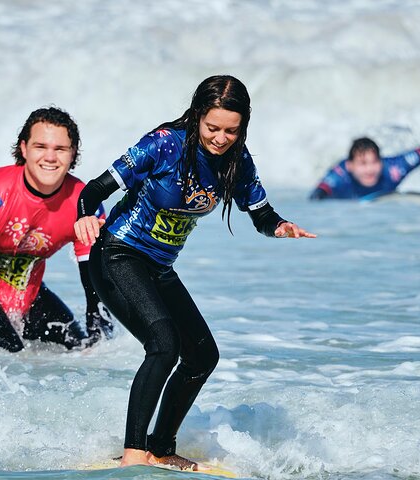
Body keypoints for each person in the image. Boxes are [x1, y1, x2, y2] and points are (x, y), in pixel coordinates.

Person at [74, 75, 316, 470]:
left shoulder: (237, 161)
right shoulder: (163, 144)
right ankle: (134, 455)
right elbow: (93, 190)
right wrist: (85, 216)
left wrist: (280, 226)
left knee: (202, 356)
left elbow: (260, 214)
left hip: (159, 267)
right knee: (164, 343)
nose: (221, 138)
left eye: (231, 131)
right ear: (198, 116)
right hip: (117, 256)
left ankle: (160, 447)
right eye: (213, 128)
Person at [0, 106, 112, 354]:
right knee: (12, 355)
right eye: (40, 147)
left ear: (73, 154)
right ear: (24, 149)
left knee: (79, 349)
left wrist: (102, 351)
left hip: (25, 288)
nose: (50, 157)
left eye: (60, 149)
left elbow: (97, 289)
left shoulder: (83, 205)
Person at [309, 137, 420, 200]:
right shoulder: (339, 175)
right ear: (350, 165)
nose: (370, 169)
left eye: (374, 162)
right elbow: (316, 197)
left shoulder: (394, 168)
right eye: (363, 164)